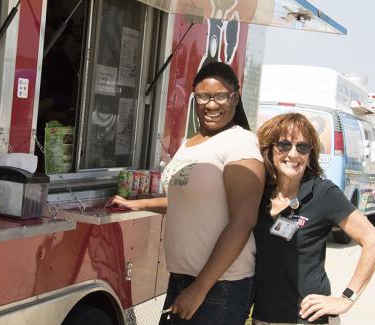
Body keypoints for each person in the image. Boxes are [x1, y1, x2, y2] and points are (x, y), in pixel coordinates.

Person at [107, 61, 265, 324]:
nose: (211, 105)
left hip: (219, 285)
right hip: (183, 280)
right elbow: (186, 201)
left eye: (220, 96)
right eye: (203, 96)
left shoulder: (240, 143)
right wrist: (137, 204)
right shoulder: (191, 142)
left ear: (234, 97)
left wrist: (200, 288)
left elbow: (244, 221)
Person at [253, 113, 375, 325]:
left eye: (303, 147)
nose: (294, 154)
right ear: (270, 149)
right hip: (259, 315)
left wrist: (346, 299)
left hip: (305, 318)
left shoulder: (323, 193)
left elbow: (374, 242)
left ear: (310, 154)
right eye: (284, 145)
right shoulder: (258, 191)